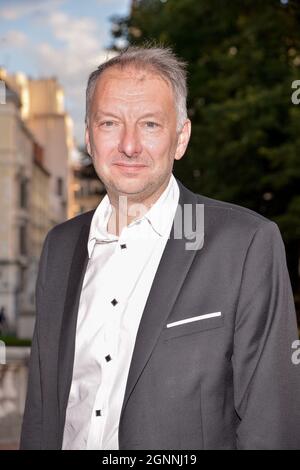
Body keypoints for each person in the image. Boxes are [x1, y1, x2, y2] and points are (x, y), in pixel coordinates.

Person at [20, 46, 300, 450]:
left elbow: (271, 421)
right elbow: (42, 408)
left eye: (150, 124)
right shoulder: (59, 246)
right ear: (88, 136)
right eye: (110, 123)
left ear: (181, 138)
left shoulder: (245, 243)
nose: (129, 145)